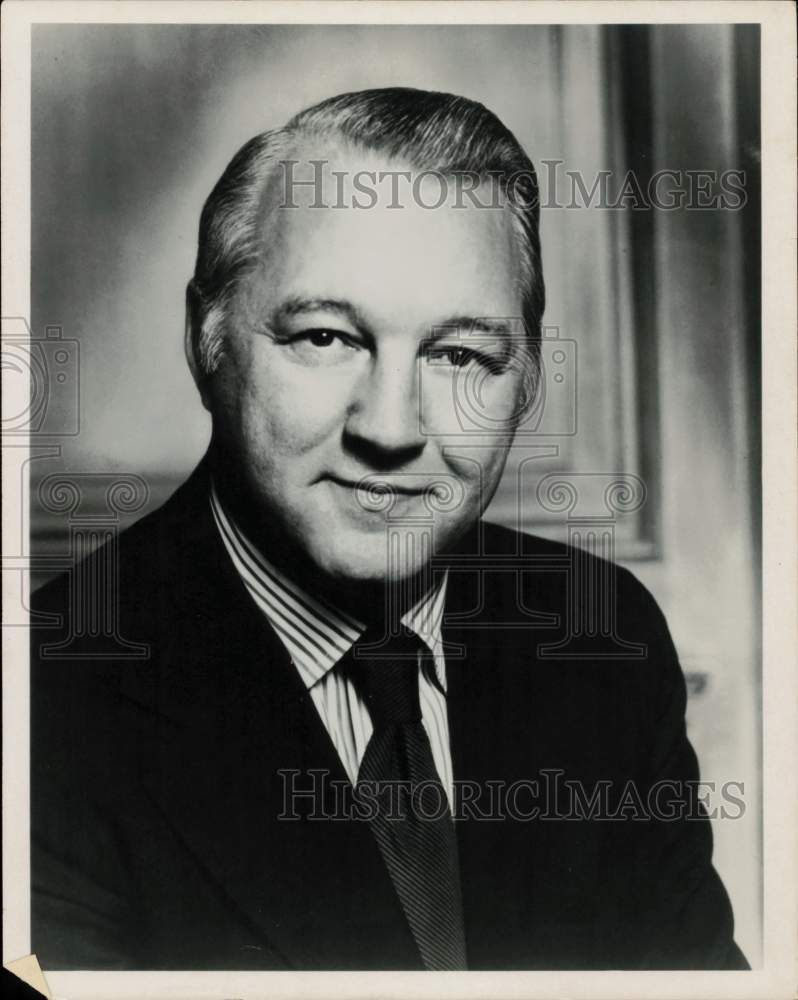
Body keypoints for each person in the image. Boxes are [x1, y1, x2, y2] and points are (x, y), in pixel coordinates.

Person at [30, 87, 747, 971]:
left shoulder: (604, 638)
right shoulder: (44, 703)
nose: (392, 428)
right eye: (327, 337)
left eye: (459, 356)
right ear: (206, 340)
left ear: (524, 380)